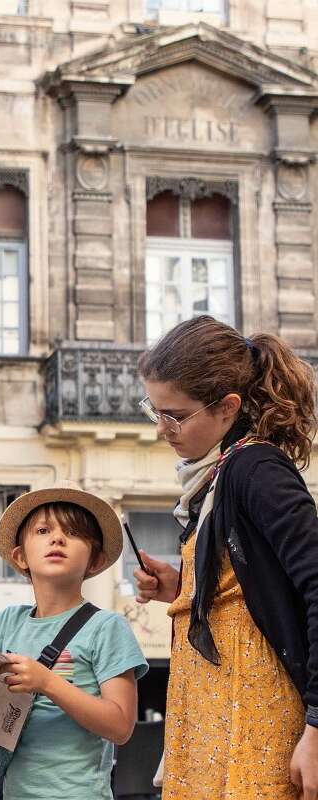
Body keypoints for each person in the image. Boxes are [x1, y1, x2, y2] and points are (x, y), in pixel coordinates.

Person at [134, 315, 318, 800]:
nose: (161, 428)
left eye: (174, 414)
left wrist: (317, 730)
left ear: (227, 407)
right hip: (218, 717)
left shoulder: (255, 468)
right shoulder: (216, 476)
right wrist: (185, 588)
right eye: (154, 410)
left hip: (255, 720)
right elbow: (248, 588)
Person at [0, 482, 148, 800]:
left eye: (73, 532)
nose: (57, 538)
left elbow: (121, 726)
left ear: (95, 559)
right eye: (42, 531)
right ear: (20, 557)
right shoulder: (6, 622)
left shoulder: (107, 627)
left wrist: (48, 683)